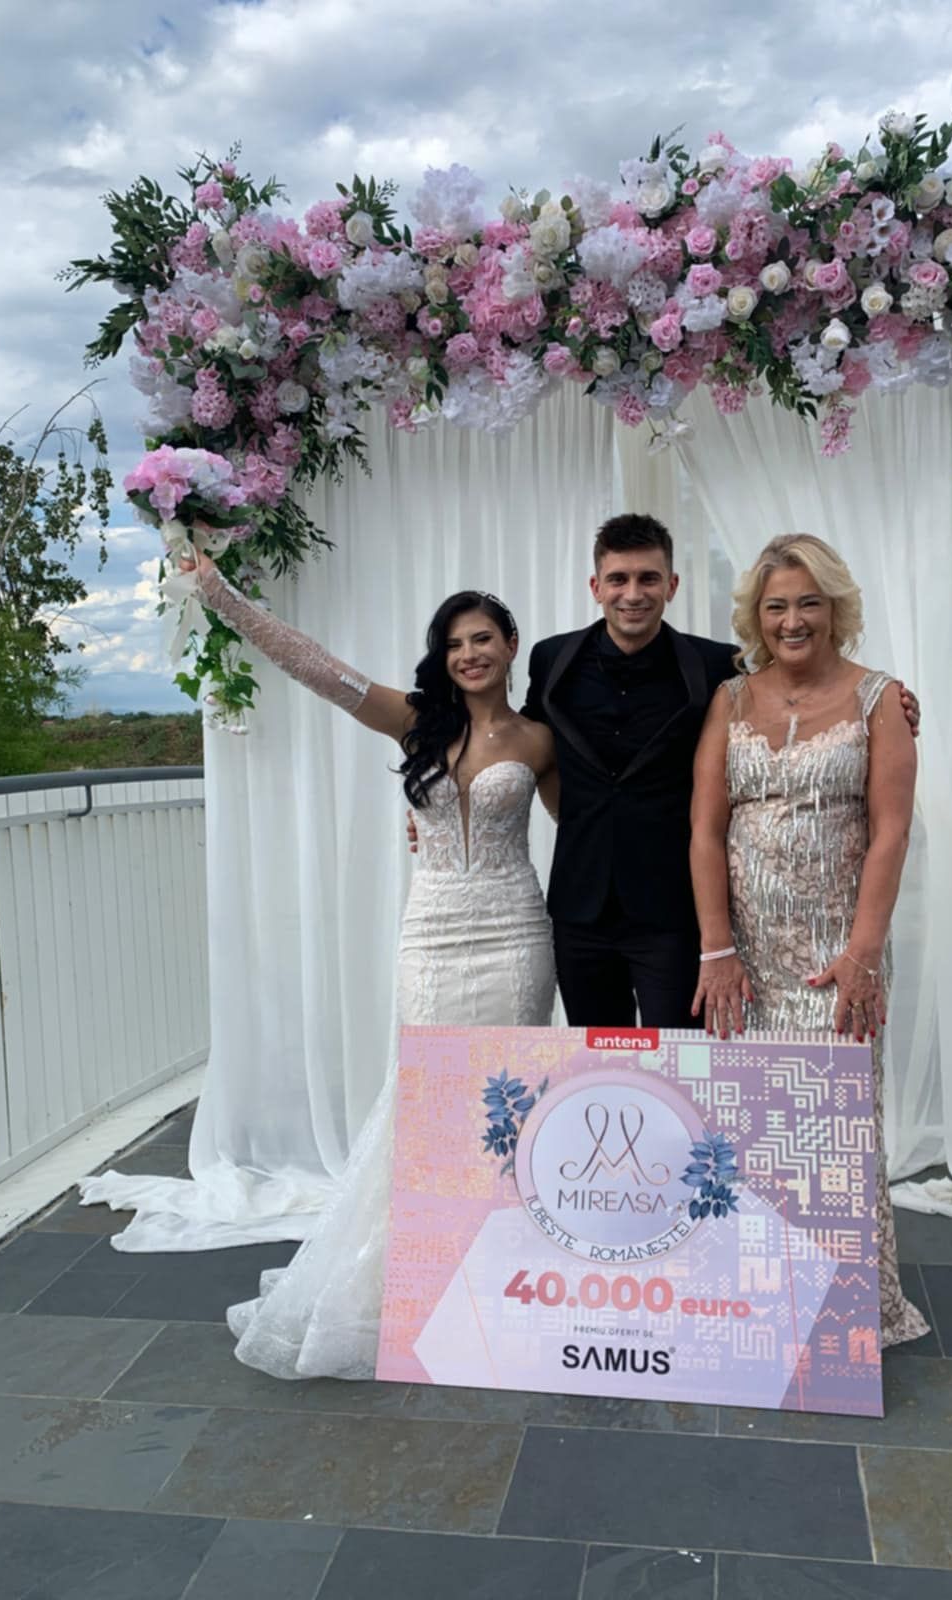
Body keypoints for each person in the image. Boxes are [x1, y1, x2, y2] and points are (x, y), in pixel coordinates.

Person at [178, 549, 557, 1375]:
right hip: (432, 936)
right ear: (442, 656)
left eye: (483, 638)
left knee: (507, 1105)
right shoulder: (416, 721)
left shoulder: (540, 737)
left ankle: (502, 1275)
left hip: (516, 936)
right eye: (455, 643)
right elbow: (317, 668)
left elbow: (597, 825)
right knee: (427, 1104)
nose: (470, 654)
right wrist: (221, 595)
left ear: (510, 644)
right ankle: (423, 1273)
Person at [519, 514, 920, 1029]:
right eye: (618, 579)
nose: (633, 593)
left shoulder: (716, 669)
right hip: (581, 904)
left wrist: (895, 710)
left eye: (648, 578)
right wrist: (445, 775)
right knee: (597, 1065)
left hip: (674, 912)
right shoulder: (552, 661)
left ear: (672, 585)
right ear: (596, 587)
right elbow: (523, 743)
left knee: (686, 1068)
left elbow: (808, 707)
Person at [689, 532, 928, 1345]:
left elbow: (891, 834)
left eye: (808, 603)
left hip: (837, 957)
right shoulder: (729, 701)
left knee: (837, 1129)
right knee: (752, 1126)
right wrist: (717, 950)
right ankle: (759, 1301)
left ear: (836, 609)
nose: (792, 620)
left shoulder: (880, 699)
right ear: (756, 617)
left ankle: (849, 1314)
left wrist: (862, 956)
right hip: (748, 962)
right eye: (776, 606)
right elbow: (705, 830)